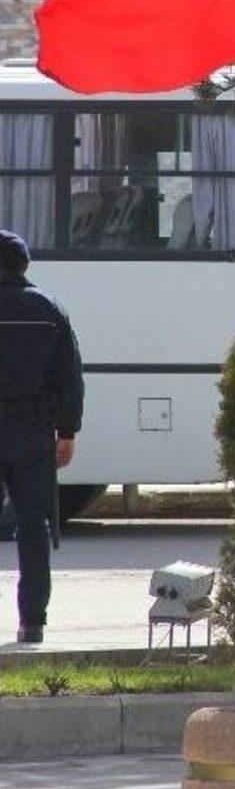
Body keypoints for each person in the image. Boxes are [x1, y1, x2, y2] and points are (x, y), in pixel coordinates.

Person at [0, 230, 84, 643]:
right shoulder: (49, 310)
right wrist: (66, 431)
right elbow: (70, 379)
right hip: (33, 434)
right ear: (24, 265)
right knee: (33, 527)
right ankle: (32, 621)